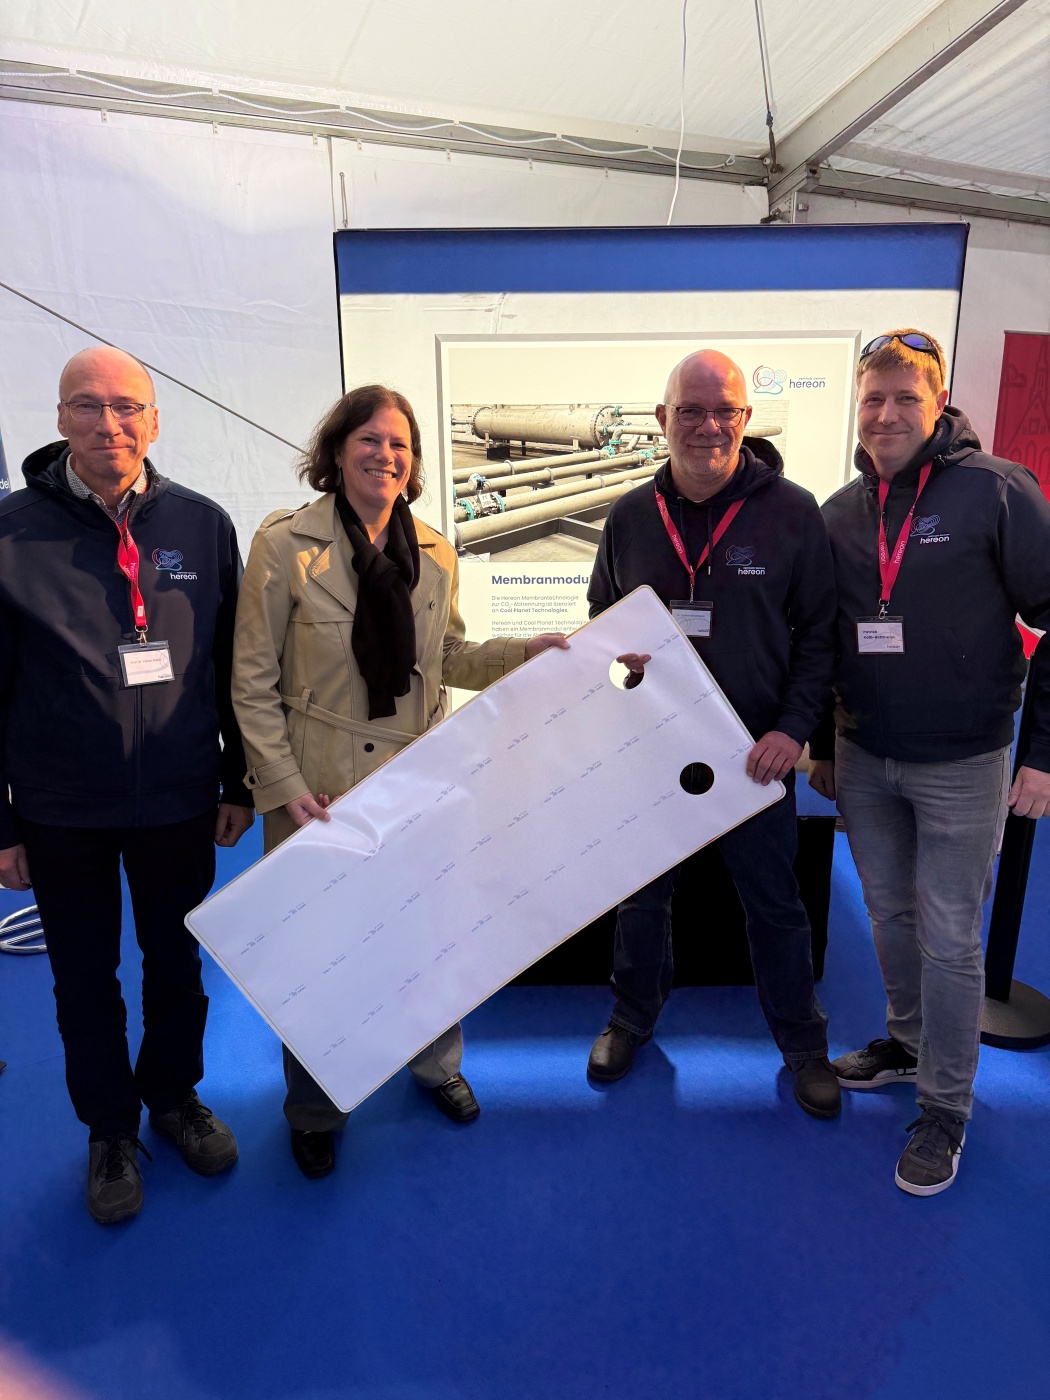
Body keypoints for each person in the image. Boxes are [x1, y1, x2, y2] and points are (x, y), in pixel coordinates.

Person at [232, 384, 568, 1178]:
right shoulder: (285, 546)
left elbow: (443, 659)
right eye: (370, 441)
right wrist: (282, 785)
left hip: (417, 774)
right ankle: (316, 1107)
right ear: (337, 450)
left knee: (428, 933)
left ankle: (435, 1065)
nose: (386, 455)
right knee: (320, 951)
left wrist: (523, 654)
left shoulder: (434, 552)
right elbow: (250, 681)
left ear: (414, 462)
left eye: (401, 445)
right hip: (318, 790)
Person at [0, 347, 254, 1225]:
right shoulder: (10, 533)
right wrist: (1, 824)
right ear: (60, 418)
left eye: (127, 407)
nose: (109, 425)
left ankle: (174, 1098)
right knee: (83, 975)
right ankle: (109, 1130)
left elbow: (232, 669)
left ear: (154, 419)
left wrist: (239, 778)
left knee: (177, 962)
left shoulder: (203, 525)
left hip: (179, 797)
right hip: (58, 806)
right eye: (87, 407)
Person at [809, 328, 1050, 1195]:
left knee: (952, 938)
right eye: (872, 399)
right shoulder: (840, 512)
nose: (885, 414)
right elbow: (831, 641)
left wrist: (1044, 756)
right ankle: (907, 1045)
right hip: (868, 758)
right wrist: (830, 745)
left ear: (938, 405)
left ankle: (946, 1108)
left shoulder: (996, 492)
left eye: (905, 398)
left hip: (964, 761)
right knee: (888, 914)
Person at [585, 350, 840, 1117]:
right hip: (652, 753)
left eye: (724, 410)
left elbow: (820, 635)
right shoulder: (630, 516)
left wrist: (795, 731)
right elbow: (600, 627)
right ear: (662, 421)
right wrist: (613, 677)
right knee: (641, 899)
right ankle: (631, 1016)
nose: (708, 427)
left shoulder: (794, 513)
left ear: (745, 419)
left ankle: (802, 1043)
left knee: (775, 906)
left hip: (756, 760)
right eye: (690, 411)